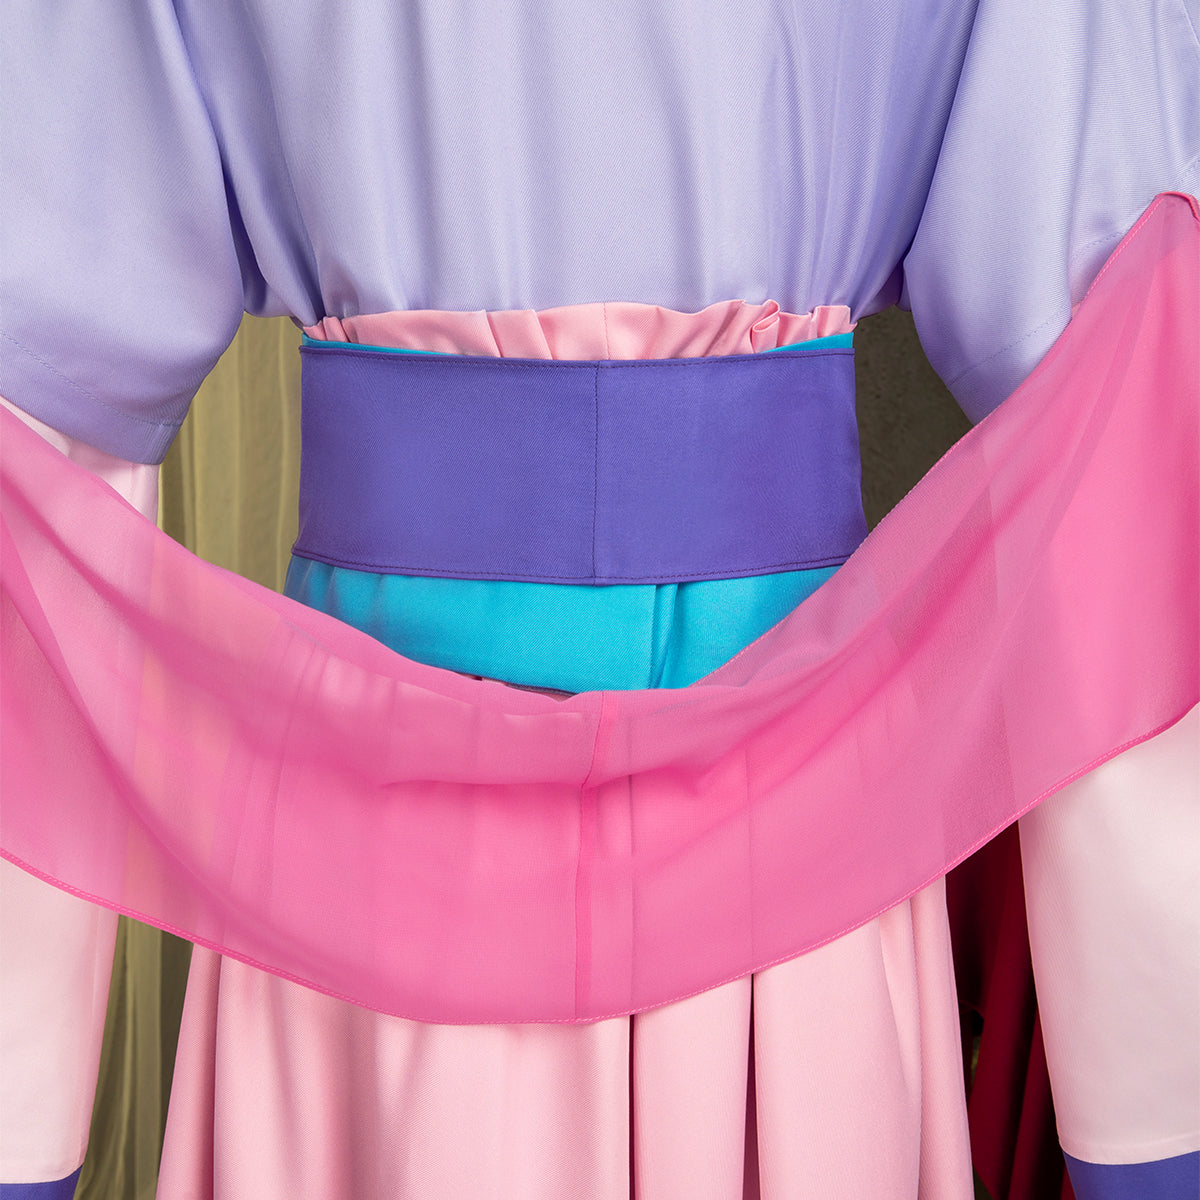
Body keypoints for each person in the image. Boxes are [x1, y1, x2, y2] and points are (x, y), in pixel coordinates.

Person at [1, 2, 1197, 1196]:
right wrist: (1149, 1130)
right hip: (752, 830)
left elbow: (47, 394)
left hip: (485, 824)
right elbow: (1116, 401)